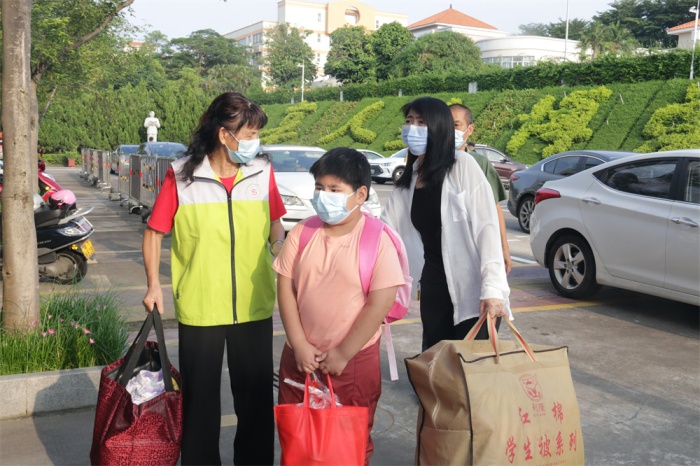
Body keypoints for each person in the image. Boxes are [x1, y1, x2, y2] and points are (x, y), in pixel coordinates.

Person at [141, 92, 286, 465]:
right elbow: (154, 233)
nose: (255, 142)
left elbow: (275, 224)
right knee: (200, 401)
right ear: (224, 134)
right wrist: (154, 285)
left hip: (253, 303)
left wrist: (282, 253)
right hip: (201, 304)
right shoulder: (182, 176)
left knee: (255, 399)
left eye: (257, 134)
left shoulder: (262, 171)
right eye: (249, 134)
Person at [273, 147, 405, 465]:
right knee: (298, 441)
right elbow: (285, 289)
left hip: (353, 363)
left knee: (348, 446)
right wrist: (299, 344)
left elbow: (380, 302)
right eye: (319, 188)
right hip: (300, 359)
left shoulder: (377, 239)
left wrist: (344, 352)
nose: (324, 196)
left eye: (334, 190)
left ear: (360, 194)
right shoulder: (302, 233)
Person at [381, 97, 512, 351]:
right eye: (409, 121)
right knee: (437, 361)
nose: (412, 128)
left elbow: (486, 228)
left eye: (421, 122)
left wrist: (492, 288)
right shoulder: (411, 176)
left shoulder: (462, 165)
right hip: (433, 287)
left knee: (471, 365)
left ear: (440, 127)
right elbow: (386, 230)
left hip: (473, 288)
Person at [450, 103, 512, 274]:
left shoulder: (480, 164)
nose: (450, 131)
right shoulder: (432, 162)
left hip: (474, 249)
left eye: (456, 125)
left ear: (469, 129)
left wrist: (503, 247)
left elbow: (494, 208)